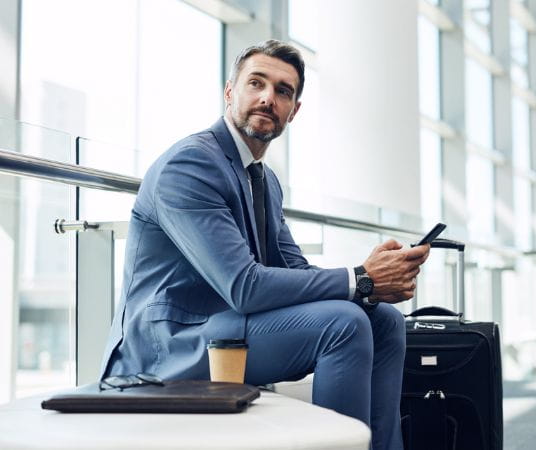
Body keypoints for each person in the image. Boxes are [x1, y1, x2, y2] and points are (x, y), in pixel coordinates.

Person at [100, 39, 429, 450]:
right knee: (343, 325)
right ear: (229, 92)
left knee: (384, 320)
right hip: (168, 347)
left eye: (282, 91)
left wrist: (369, 284)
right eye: (256, 83)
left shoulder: (265, 180)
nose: (268, 98)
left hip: (225, 329)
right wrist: (360, 278)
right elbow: (244, 286)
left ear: (294, 110)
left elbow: (296, 272)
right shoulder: (190, 164)